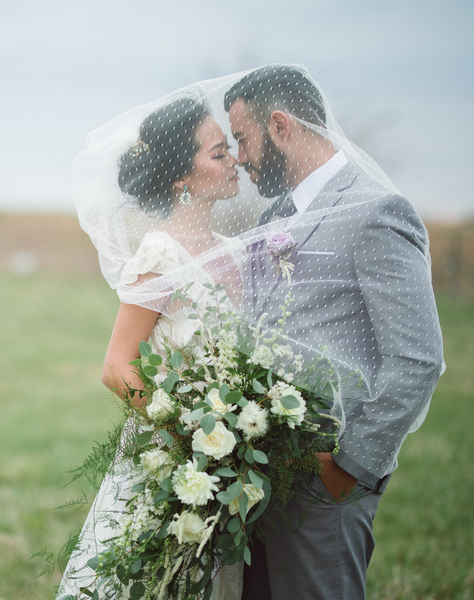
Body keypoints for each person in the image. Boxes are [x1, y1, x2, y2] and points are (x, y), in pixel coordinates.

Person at [223, 64, 444, 599]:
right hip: (259, 483)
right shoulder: (271, 217)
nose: (238, 157)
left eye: (242, 138)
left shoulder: (377, 212)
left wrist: (352, 469)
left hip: (329, 485)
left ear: (281, 125)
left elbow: (418, 359)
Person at [57, 96, 245, 599]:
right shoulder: (162, 254)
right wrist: (192, 435)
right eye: (218, 153)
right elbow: (117, 367)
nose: (235, 162)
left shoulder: (237, 253)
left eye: (231, 149)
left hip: (229, 466)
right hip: (170, 460)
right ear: (181, 177)